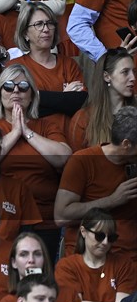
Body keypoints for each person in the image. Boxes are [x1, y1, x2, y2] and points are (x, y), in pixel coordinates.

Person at [0, 64, 72, 255]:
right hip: (2, 220)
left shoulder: (46, 125)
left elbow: (62, 157)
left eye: (23, 86)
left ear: (32, 94)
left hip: (44, 219)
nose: (16, 90)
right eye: (9, 86)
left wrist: (26, 132)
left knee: (41, 280)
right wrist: (14, 132)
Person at [55, 106, 137, 263]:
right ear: (126, 144)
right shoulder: (82, 161)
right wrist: (113, 200)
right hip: (88, 260)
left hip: (129, 260)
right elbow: (61, 217)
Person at [55, 209, 133, 302]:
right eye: (100, 235)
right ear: (83, 232)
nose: (105, 242)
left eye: (111, 238)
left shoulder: (123, 264)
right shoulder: (67, 266)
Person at [8, 3, 86, 114]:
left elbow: (79, 102)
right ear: (25, 33)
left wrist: (36, 95)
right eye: (38, 24)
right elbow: (23, 109)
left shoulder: (69, 64)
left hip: (68, 130)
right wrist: (64, 97)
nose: (46, 29)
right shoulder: (15, 67)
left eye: (50, 24)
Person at [68, 49, 136, 152]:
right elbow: (78, 163)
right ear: (107, 76)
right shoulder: (83, 119)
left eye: (134, 72)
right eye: (125, 72)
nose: (133, 78)